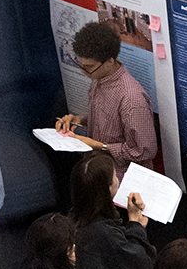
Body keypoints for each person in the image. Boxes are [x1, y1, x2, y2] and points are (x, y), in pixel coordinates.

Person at [54, 19, 159, 166]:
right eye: (81, 65)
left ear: (110, 62)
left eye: (89, 67)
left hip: (120, 179)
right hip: (97, 168)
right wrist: (80, 120)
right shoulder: (99, 77)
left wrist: (100, 146)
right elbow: (109, 121)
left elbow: (144, 151)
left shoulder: (131, 99)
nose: (84, 72)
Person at [68, 150, 154, 269]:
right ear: (107, 188)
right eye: (115, 176)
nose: (118, 179)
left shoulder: (77, 216)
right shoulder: (103, 234)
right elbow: (141, 264)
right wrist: (135, 223)